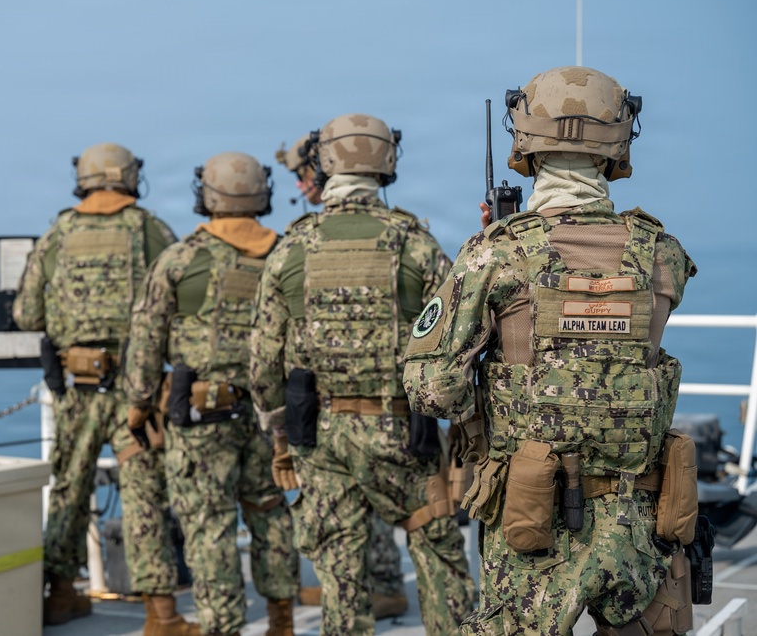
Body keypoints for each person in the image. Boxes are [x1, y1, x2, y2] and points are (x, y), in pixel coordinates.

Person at [402, 66, 698, 635]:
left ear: (525, 141)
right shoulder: (662, 253)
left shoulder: (497, 252)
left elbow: (432, 390)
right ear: (619, 142)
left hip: (531, 520)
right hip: (639, 518)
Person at [251, 114, 475, 636]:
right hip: (403, 431)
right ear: (386, 161)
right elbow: (458, 340)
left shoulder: (291, 247)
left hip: (320, 434)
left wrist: (279, 433)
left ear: (323, 163)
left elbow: (262, 360)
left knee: (339, 565)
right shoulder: (415, 243)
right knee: (436, 548)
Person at [13, 142, 201, 634]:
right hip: (137, 389)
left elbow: (26, 314)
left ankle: (61, 595)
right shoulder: (149, 229)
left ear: (84, 179)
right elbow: (183, 303)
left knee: (69, 487)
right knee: (144, 494)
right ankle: (161, 614)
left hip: (78, 388)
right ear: (129, 176)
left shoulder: (58, 234)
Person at [124, 152, 300, 636]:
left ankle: (223, 626)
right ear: (262, 193)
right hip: (271, 415)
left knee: (209, 523)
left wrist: (139, 403)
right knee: (271, 512)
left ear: (207, 195)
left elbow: (146, 336)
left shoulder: (181, 259)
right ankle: (282, 622)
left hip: (201, 415)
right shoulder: (286, 255)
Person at [275, 136, 409, 621]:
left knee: (346, 510)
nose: (300, 186)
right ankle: (382, 584)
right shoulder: (403, 236)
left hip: (341, 408)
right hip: (386, 407)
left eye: (303, 175)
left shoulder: (301, 242)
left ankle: (374, 588)